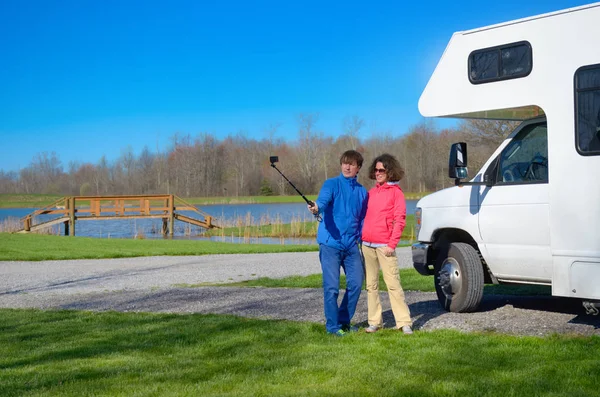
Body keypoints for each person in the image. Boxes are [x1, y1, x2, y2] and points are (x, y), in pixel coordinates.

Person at [308, 150, 368, 336]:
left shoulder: (362, 192)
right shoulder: (331, 184)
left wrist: (363, 239)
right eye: (344, 163)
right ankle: (332, 327)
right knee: (332, 287)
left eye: (351, 164)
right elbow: (323, 201)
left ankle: (344, 321)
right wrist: (317, 207)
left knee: (357, 284)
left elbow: (363, 219)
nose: (347, 167)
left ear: (358, 168)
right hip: (330, 245)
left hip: (351, 246)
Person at [361, 153, 413, 334]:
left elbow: (400, 220)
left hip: (385, 246)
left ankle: (404, 322)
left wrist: (392, 244)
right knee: (371, 285)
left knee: (393, 285)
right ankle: (375, 322)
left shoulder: (396, 193)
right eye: (375, 170)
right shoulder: (372, 193)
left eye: (381, 170)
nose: (378, 173)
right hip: (367, 245)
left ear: (390, 171)